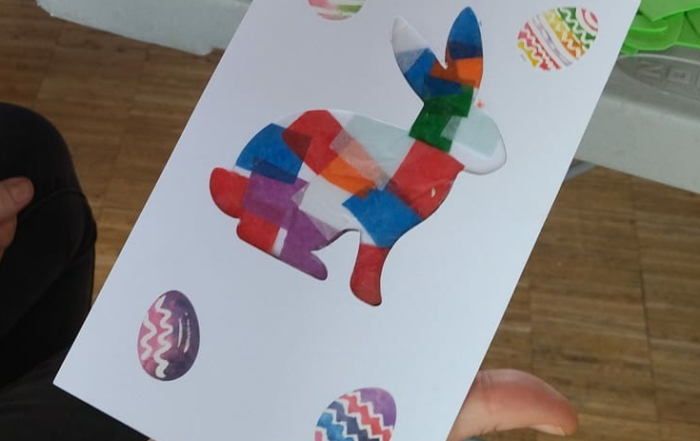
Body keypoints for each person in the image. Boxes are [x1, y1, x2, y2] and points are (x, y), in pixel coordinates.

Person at [0, 102, 578, 440]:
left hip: (301, 184)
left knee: (32, 155)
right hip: (280, 188)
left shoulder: (412, 169)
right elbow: (373, 224)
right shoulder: (405, 172)